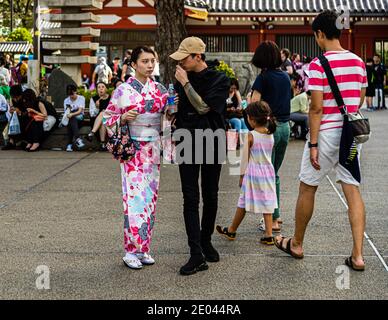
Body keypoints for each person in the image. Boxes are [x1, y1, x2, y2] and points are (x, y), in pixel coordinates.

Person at [275, 10, 368, 271]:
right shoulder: (359, 62)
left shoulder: (317, 65)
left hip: (326, 133)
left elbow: (316, 108)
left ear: (319, 34)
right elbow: (359, 100)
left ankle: (297, 243)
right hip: (350, 136)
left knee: (308, 187)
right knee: (352, 190)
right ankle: (358, 256)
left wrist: (313, 144)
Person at [103, 46, 174, 270]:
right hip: (133, 149)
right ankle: (130, 250)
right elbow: (108, 118)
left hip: (152, 148)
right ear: (134, 64)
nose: (150, 65)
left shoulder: (160, 89)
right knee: (134, 199)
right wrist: (123, 117)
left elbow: (169, 118)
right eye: (144, 61)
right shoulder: (123, 90)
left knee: (150, 199)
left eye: (152, 60)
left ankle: (143, 248)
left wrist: (171, 111)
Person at [169, 36, 230, 275]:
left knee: (211, 194)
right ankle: (196, 252)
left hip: (212, 138)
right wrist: (171, 109)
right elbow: (180, 106)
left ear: (197, 56)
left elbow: (204, 107)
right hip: (186, 137)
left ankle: (206, 241)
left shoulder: (220, 78)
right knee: (190, 196)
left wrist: (185, 84)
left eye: (185, 57)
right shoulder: (180, 78)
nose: (181, 62)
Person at [216, 101, 278, 244]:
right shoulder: (271, 134)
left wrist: (241, 177)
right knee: (267, 201)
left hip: (253, 173)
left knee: (243, 201)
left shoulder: (250, 135)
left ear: (252, 119)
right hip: (268, 171)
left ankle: (231, 230)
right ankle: (269, 235)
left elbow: (244, 160)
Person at [249, 40, 291, 233]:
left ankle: (272, 219)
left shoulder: (263, 78)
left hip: (268, 131)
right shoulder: (284, 76)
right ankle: (276, 215)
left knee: (266, 175)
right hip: (285, 128)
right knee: (274, 173)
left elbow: (254, 106)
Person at [2, 85, 28, 150]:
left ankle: (21, 141)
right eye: (13, 98)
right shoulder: (13, 100)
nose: (15, 99)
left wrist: (19, 112)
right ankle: (11, 142)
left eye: (17, 97)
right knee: (12, 122)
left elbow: (28, 112)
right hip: (17, 117)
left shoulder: (26, 99)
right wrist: (12, 111)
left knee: (20, 121)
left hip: (26, 117)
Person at [86, 82, 111, 150]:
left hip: (110, 118)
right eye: (99, 87)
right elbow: (92, 114)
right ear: (97, 90)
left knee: (103, 114)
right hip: (96, 120)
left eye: (103, 87)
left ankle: (92, 133)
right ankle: (102, 144)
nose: (101, 89)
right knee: (103, 118)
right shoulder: (94, 99)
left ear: (106, 89)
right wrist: (97, 107)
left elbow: (114, 109)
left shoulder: (111, 98)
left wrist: (106, 112)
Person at [63, 84, 86, 152]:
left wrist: (72, 114)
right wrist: (70, 114)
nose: (71, 96)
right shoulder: (66, 100)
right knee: (71, 120)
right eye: (69, 95)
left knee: (72, 118)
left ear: (76, 91)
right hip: (71, 119)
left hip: (80, 118)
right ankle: (78, 139)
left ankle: (69, 144)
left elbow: (80, 111)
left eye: (72, 94)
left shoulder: (81, 98)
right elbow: (67, 112)